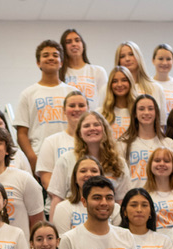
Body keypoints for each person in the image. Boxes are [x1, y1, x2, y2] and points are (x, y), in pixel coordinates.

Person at [48, 111, 130, 214]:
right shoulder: (66, 160)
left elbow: (121, 201)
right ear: (79, 133)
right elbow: (57, 198)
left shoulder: (119, 163)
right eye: (86, 126)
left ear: (104, 129)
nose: (92, 128)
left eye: (96, 124)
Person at [15, 40, 75, 172]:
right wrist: (32, 159)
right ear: (38, 63)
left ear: (61, 62)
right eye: (46, 55)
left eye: (55, 55)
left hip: (71, 155)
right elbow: (22, 133)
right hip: (40, 157)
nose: (51, 58)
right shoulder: (28, 94)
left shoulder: (72, 92)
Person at [35, 91, 89, 189]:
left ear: (88, 109)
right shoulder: (51, 141)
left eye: (81, 105)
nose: (77, 109)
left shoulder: (94, 142)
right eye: (72, 106)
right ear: (64, 110)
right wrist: (68, 201)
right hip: (60, 200)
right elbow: (46, 179)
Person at [51, 156, 116, 236]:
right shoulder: (63, 208)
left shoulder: (114, 207)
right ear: (75, 178)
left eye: (94, 171)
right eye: (83, 171)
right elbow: (63, 242)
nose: (89, 174)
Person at [120, 94, 173, 188]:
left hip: (160, 197)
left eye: (150, 109)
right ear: (135, 114)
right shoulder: (123, 144)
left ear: (156, 113)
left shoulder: (168, 143)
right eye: (141, 109)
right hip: (134, 197)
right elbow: (120, 178)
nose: (146, 112)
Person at [60, 29, 108, 109]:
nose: (74, 44)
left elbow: (105, 101)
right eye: (68, 42)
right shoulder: (60, 74)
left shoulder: (98, 71)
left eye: (77, 40)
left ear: (83, 45)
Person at [144, 147, 173, 228]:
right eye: (157, 161)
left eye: (167, 161)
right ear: (150, 165)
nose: (161, 164)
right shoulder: (143, 195)